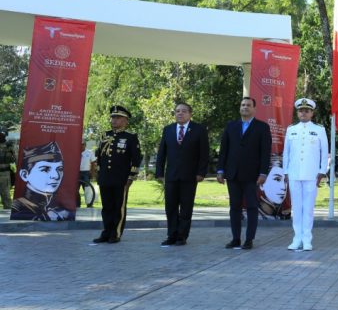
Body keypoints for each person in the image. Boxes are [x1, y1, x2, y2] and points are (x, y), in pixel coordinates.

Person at [216, 97, 272, 250]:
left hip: (252, 175)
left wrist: (263, 173)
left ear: (254, 108)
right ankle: (235, 238)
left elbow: (265, 153)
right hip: (232, 174)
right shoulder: (231, 126)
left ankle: (249, 239)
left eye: (248, 105)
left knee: (252, 207)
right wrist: (220, 170)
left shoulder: (262, 127)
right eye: (242, 105)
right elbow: (224, 150)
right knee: (234, 207)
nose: (245, 107)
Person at [155, 102, 209, 247]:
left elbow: (204, 153)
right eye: (177, 111)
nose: (180, 113)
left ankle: (182, 236)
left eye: (184, 111)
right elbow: (162, 153)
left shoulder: (199, 129)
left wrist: (201, 172)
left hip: (190, 176)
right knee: (170, 206)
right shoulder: (168, 129)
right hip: (171, 176)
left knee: (186, 207)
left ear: (190, 114)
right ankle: (171, 235)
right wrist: (159, 172)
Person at [282, 97, 328, 251]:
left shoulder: (319, 130)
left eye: (306, 111)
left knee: (308, 208)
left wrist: (322, 171)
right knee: (297, 207)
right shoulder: (291, 129)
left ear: (312, 113)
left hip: (311, 174)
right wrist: (286, 171)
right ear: (297, 112)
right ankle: (297, 238)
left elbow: (324, 152)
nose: (303, 113)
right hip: (294, 173)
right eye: (301, 111)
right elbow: (286, 153)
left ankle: (307, 239)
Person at [94, 105, 142, 243]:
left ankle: (116, 233)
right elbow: (99, 156)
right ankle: (106, 232)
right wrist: (98, 172)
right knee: (106, 207)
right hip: (105, 177)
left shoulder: (130, 137)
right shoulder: (105, 135)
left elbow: (136, 158)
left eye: (118, 118)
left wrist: (131, 176)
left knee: (118, 206)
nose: (114, 120)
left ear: (125, 121)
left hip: (121, 178)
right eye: (113, 117)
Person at [11, 141, 72, 220]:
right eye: (45, 169)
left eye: (59, 169)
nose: (56, 176)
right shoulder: (18, 210)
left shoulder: (60, 210)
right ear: (25, 175)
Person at [78, 140, 96, 207]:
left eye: (83, 144)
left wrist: (92, 173)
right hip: (77, 173)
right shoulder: (75, 151)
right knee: (75, 190)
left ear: (85, 145)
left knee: (87, 188)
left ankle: (89, 203)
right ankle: (77, 204)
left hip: (86, 172)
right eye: (80, 144)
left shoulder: (90, 152)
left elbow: (93, 163)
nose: (81, 146)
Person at [0, 129, 14, 209]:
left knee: (6, 196)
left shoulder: (9, 146)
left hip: (4, 173)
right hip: (5, 174)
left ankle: (8, 213)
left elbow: (16, 158)